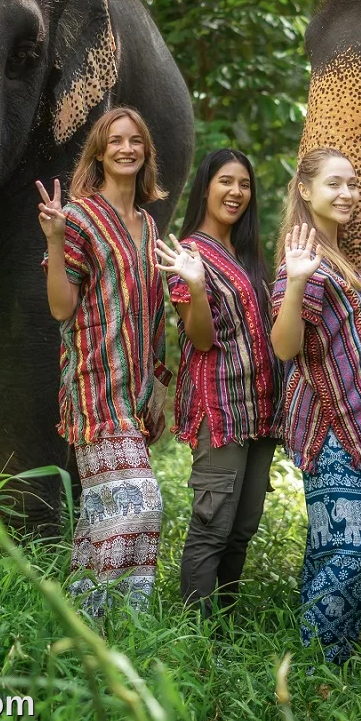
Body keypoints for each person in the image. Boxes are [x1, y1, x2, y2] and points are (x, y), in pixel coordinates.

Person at [37, 106, 171, 616]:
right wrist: (53, 239)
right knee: (140, 504)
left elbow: (153, 311)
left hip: (135, 392)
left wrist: (157, 384)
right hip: (94, 386)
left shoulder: (149, 226)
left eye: (135, 140)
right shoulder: (79, 218)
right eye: (115, 141)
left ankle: (99, 629)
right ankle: (100, 619)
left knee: (103, 515)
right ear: (99, 152)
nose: (126, 149)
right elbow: (60, 308)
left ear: (146, 153)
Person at [270, 148, 361, 663]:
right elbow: (285, 346)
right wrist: (299, 278)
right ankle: (320, 662)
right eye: (334, 184)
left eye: (352, 184)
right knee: (353, 550)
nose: (347, 193)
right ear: (305, 190)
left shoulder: (335, 252)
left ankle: (321, 666)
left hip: (360, 430)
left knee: (333, 548)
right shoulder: (304, 259)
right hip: (331, 431)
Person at [154, 148, 282, 614]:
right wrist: (199, 285)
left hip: (261, 409)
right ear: (206, 187)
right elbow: (201, 338)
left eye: (244, 184)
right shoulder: (186, 253)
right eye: (226, 181)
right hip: (219, 407)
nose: (236, 192)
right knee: (212, 525)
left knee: (243, 527)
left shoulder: (245, 253)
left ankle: (221, 629)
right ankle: (195, 638)